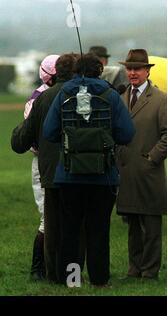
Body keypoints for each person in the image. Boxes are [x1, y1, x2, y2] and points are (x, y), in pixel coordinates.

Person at [43, 53, 135, 287]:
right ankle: (99, 280)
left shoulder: (64, 94)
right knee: (98, 229)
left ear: (75, 71)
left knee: (70, 229)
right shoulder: (111, 95)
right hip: (102, 176)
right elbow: (127, 133)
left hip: (69, 174)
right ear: (100, 71)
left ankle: (71, 279)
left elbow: (49, 132)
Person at [11, 54, 77, 283]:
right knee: (51, 220)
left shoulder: (39, 97)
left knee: (52, 218)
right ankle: (40, 268)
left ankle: (50, 271)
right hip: (55, 164)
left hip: (45, 163)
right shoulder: (42, 97)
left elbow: (24, 137)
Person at [115, 49, 167, 281]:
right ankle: (134, 269)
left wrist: (152, 158)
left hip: (150, 172)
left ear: (147, 70)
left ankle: (150, 271)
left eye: (137, 69)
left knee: (151, 226)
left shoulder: (162, 99)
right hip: (126, 171)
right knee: (132, 224)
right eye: (129, 68)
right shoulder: (121, 98)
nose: (132, 73)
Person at [22, 54, 59, 280]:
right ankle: (38, 269)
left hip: (56, 162)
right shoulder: (36, 101)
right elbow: (31, 142)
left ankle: (54, 267)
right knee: (48, 217)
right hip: (44, 163)